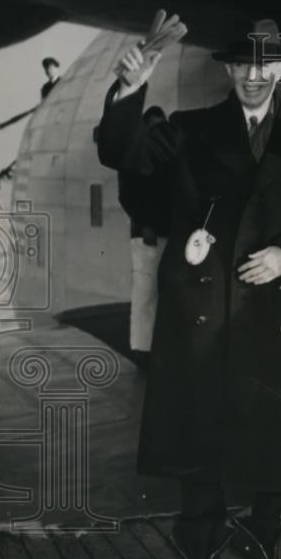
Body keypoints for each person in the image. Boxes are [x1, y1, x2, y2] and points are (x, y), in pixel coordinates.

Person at [95, 17, 281, 559]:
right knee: (200, 455)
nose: (254, 76)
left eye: (265, 65)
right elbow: (126, 162)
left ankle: (262, 555)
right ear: (229, 70)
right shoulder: (188, 131)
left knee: (276, 448)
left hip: (278, 311)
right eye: (242, 65)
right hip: (203, 316)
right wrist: (130, 92)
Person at [116, 105, 170, 369]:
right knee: (145, 292)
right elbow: (127, 196)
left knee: (159, 293)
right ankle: (141, 350)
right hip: (146, 236)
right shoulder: (133, 157)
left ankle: (156, 347)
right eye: (155, 127)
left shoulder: (166, 157)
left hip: (167, 234)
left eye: (163, 127)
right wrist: (145, 225)